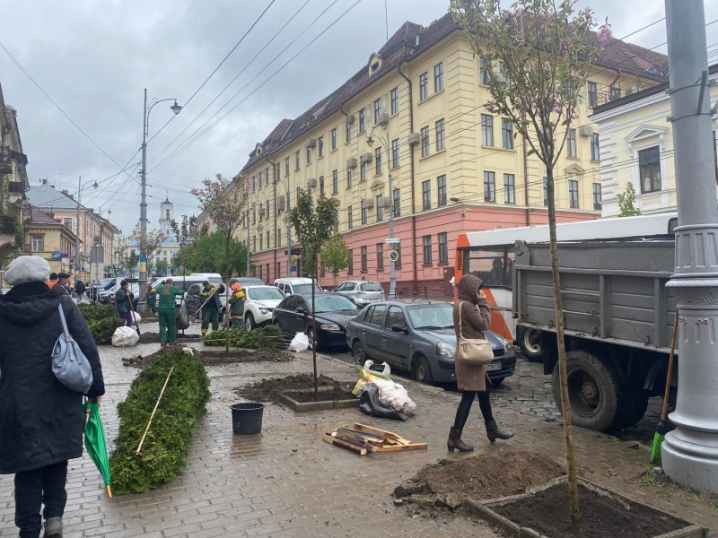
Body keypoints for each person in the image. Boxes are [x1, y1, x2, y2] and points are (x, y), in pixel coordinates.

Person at [0, 255, 105, 538]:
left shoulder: (2, 310)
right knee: (56, 458)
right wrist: (95, 390)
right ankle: (55, 517)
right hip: (61, 397)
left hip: (17, 401)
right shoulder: (62, 305)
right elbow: (86, 346)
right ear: (45, 278)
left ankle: (29, 527)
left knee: (27, 465)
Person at [448, 274, 514, 452]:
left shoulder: (461, 304)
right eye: (477, 289)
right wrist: (484, 303)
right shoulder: (467, 306)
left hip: (471, 355)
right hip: (469, 357)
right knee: (468, 396)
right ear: (470, 289)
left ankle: (492, 430)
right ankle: (455, 437)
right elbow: (484, 324)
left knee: (484, 391)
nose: (479, 292)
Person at [153, 278, 185, 346]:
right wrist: (183, 288)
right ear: (171, 283)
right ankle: (171, 340)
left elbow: (157, 289)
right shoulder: (173, 288)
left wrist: (162, 284)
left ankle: (163, 341)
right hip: (170, 309)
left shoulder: (161, 288)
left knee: (162, 325)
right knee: (171, 325)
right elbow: (181, 292)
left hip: (161, 309)